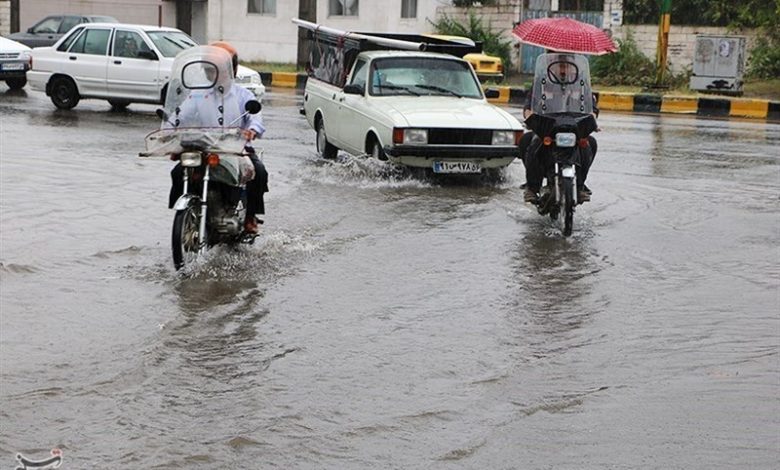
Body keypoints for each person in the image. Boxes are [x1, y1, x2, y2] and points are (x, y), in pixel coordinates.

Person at [168, 42, 269, 234]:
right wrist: (169, 128)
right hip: (205, 147)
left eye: (215, 70)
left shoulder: (243, 95)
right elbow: (180, 115)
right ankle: (185, 215)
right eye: (207, 69)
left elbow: (255, 119)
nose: (211, 74)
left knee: (259, 172)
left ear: (231, 70)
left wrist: (252, 130)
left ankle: (250, 218)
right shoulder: (198, 95)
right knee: (177, 172)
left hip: (236, 149)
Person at [518, 54, 599, 204]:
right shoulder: (541, 83)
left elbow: (592, 109)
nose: (563, 69)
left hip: (573, 128)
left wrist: (592, 120)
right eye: (559, 64)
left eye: (566, 64)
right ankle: (532, 187)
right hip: (548, 128)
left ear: (573, 65)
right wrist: (530, 118)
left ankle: (580, 186)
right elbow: (528, 107)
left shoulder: (582, 84)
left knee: (589, 144)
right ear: (552, 65)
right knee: (531, 142)